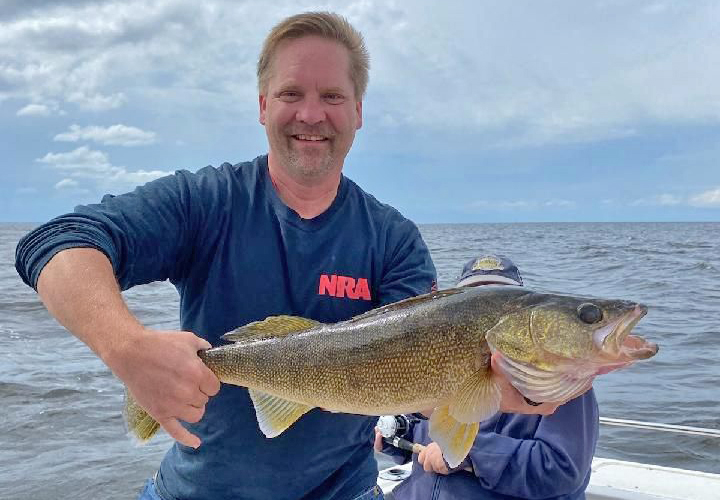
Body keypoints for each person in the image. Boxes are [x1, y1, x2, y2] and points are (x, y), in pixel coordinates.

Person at [375, 255, 600, 500]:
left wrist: (471, 455)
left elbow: (559, 471)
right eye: (472, 303)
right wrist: (396, 434)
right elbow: (429, 443)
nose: (483, 320)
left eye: (497, 305)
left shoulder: (560, 381)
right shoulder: (442, 364)